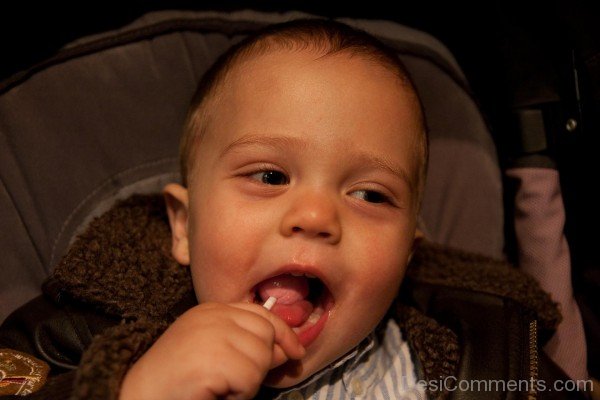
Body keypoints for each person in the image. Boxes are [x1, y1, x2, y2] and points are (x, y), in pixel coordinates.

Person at [0, 19, 584, 400]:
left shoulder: (495, 355)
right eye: (270, 176)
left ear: (409, 251)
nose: (315, 216)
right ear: (184, 226)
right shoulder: (77, 335)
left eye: (369, 195)